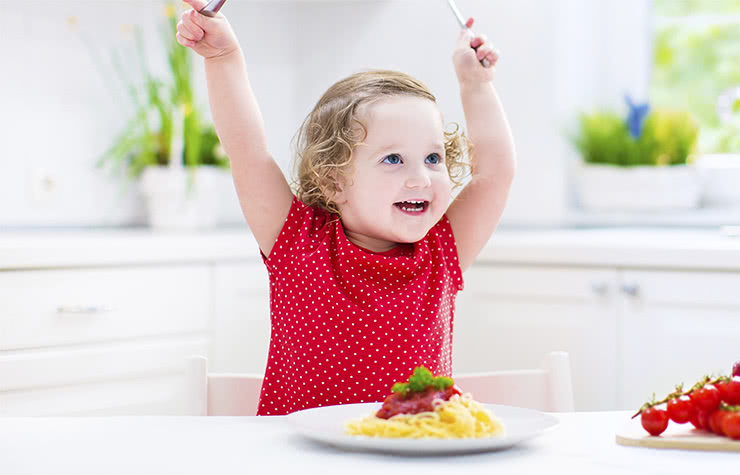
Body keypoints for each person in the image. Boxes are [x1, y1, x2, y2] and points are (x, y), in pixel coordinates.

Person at [175, 0, 515, 415]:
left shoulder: (442, 251)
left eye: (433, 158)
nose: (421, 179)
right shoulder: (298, 243)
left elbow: (494, 174)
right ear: (334, 178)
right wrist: (224, 57)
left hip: (407, 457)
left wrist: (475, 85)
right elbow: (248, 151)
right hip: (299, 458)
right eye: (393, 159)